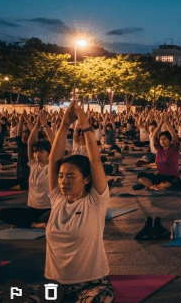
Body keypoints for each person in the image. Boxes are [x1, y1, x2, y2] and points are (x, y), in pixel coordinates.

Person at [35, 100, 115, 302]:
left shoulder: (95, 202)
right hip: (53, 286)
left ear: (86, 179)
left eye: (71, 177)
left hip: (92, 284)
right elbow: (54, 160)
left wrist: (85, 125)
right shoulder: (58, 199)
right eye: (61, 176)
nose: (63, 181)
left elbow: (95, 160)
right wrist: (64, 124)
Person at [0, 110, 54, 228]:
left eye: (41, 152)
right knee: (2, 213)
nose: (37, 155)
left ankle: (33, 222)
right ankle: (35, 224)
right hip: (33, 209)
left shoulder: (52, 167)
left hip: (49, 210)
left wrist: (44, 125)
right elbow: (30, 143)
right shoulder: (33, 164)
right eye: (36, 152)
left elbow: (55, 143)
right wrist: (36, 124)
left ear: (49, 153)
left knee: (52, 216)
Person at [136, 116, 181, 191]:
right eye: (161, 139)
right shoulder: (159, 149)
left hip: (171, 177)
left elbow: (174, 137)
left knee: (175, 183)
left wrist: (167, 123)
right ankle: (156, 186)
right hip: (159, 176)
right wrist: (160, 123)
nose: (162, 141)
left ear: (169, 140)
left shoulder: (174, 149)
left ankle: (156, 186)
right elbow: (154, 136)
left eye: (165, 139)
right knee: (140, 176)